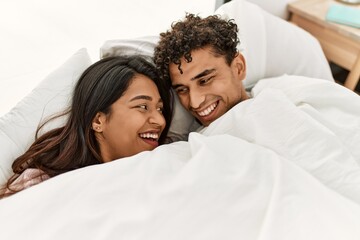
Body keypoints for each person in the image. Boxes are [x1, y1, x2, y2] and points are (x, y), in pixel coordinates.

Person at [0, 55, 173, 198]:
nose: (160, 120)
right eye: (142, 106)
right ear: (98, 121)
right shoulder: (40, 185)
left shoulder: (169, 167)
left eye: (160, 109)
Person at [154, 13, 249, 127]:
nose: (195, 103)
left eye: (204, 81)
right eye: (182, 90)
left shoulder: (272, 96)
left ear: (239, 68)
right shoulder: (195, 143)